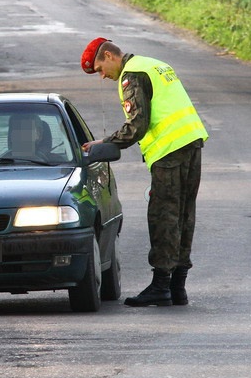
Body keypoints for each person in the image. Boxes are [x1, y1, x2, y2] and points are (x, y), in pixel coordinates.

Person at [80, 37, 208, 307]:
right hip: (191, 144)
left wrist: (106, 143)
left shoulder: (132, 74)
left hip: (169, 152)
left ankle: (161, 286)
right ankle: (177, 287)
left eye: (99, 68)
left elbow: (137, 124)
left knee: (164, 216)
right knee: (184, 214)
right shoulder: (154, 64)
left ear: (110, 56)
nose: (102, 76)